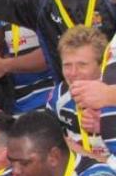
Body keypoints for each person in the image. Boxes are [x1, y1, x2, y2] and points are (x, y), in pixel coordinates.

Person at [47, 25, 116, 164]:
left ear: (101, 64)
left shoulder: (111, 93)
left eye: (82, 65)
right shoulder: (58, 96)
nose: (73, 73)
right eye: (67, 65)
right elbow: (49, 141)